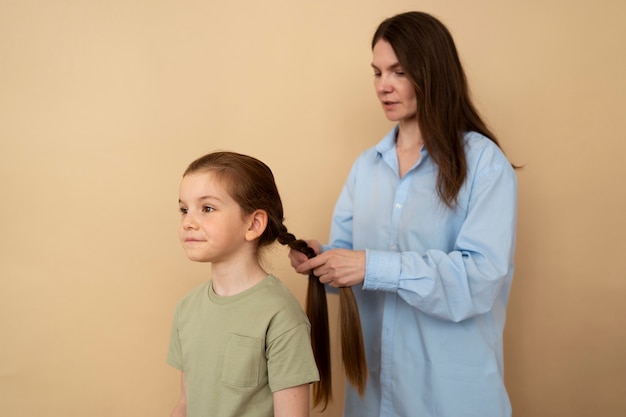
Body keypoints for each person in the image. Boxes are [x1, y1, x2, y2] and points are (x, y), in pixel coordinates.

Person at [289, 11, 518, 417]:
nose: (383, 86)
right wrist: (321, 259)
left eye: (398, 71)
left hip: (451, 398)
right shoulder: (366, 167)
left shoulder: (485, 165)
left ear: (432, 73)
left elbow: (481, 278)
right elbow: (350, 264)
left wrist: (371, 265)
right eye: (377, 73)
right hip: (374, 396)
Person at [168, 151, 320, 417]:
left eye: (207, 208)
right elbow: (185, 404)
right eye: (184, 209)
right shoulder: (186, 309)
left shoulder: (281, 315)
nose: (188, 223)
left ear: (254, 223)